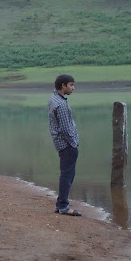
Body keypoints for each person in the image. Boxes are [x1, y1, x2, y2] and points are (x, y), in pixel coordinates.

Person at [48, 74, 81, 216]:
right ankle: (63, 206)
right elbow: (65, 129)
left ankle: (60, 204)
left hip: (62, 144)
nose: (73, 88)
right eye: (71, 85)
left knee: (66, 174)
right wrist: (73, 143)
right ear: (63, 86)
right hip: (67, 145)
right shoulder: (60, 104)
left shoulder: (54, 98)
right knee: (67, 176)